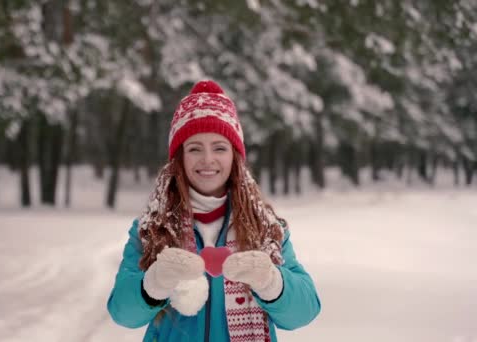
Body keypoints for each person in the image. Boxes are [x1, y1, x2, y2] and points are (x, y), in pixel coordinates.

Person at [107, 80, 320, 342]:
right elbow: (122, 313)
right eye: (195, 148)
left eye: (219, 148)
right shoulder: (151, 228)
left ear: (235, 156)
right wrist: (154, 283)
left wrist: (271, 281)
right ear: (180, 157)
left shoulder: (264, 227)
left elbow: (304, 312)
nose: (207, 159)